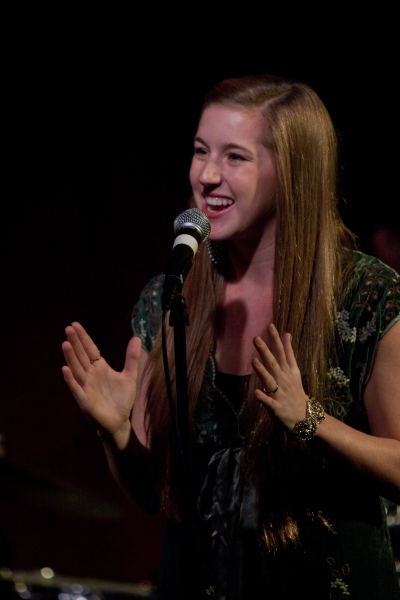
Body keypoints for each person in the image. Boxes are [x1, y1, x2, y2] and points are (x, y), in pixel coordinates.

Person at [62, 75, 400, 599]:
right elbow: (155, 496)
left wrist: (311, 420)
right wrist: (116, 435)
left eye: (235, 157)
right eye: (200, 151)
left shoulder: (367, 297)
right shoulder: (168, 300)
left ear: (292, 172)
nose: (208, 175)